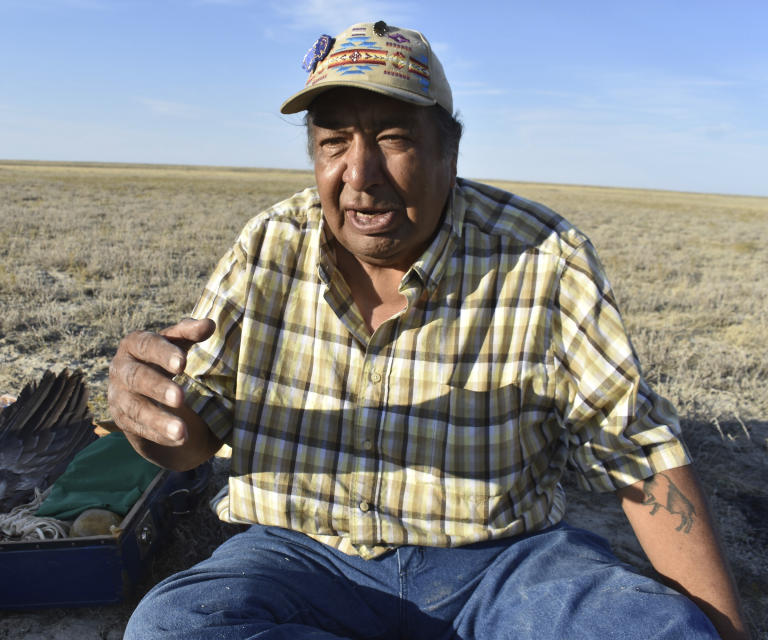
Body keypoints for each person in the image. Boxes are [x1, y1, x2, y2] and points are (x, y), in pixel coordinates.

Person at [108, 21, 749, 640]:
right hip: (301, 556)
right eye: (333, 143)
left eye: (392, 138)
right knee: (172, 627)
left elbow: (636, 450)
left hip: (500, 562)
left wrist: (724, 633)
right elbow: (191, 439)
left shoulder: (544, 256)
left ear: (450, 148)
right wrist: (148, 418)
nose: (360, 174)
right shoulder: (270, 245)